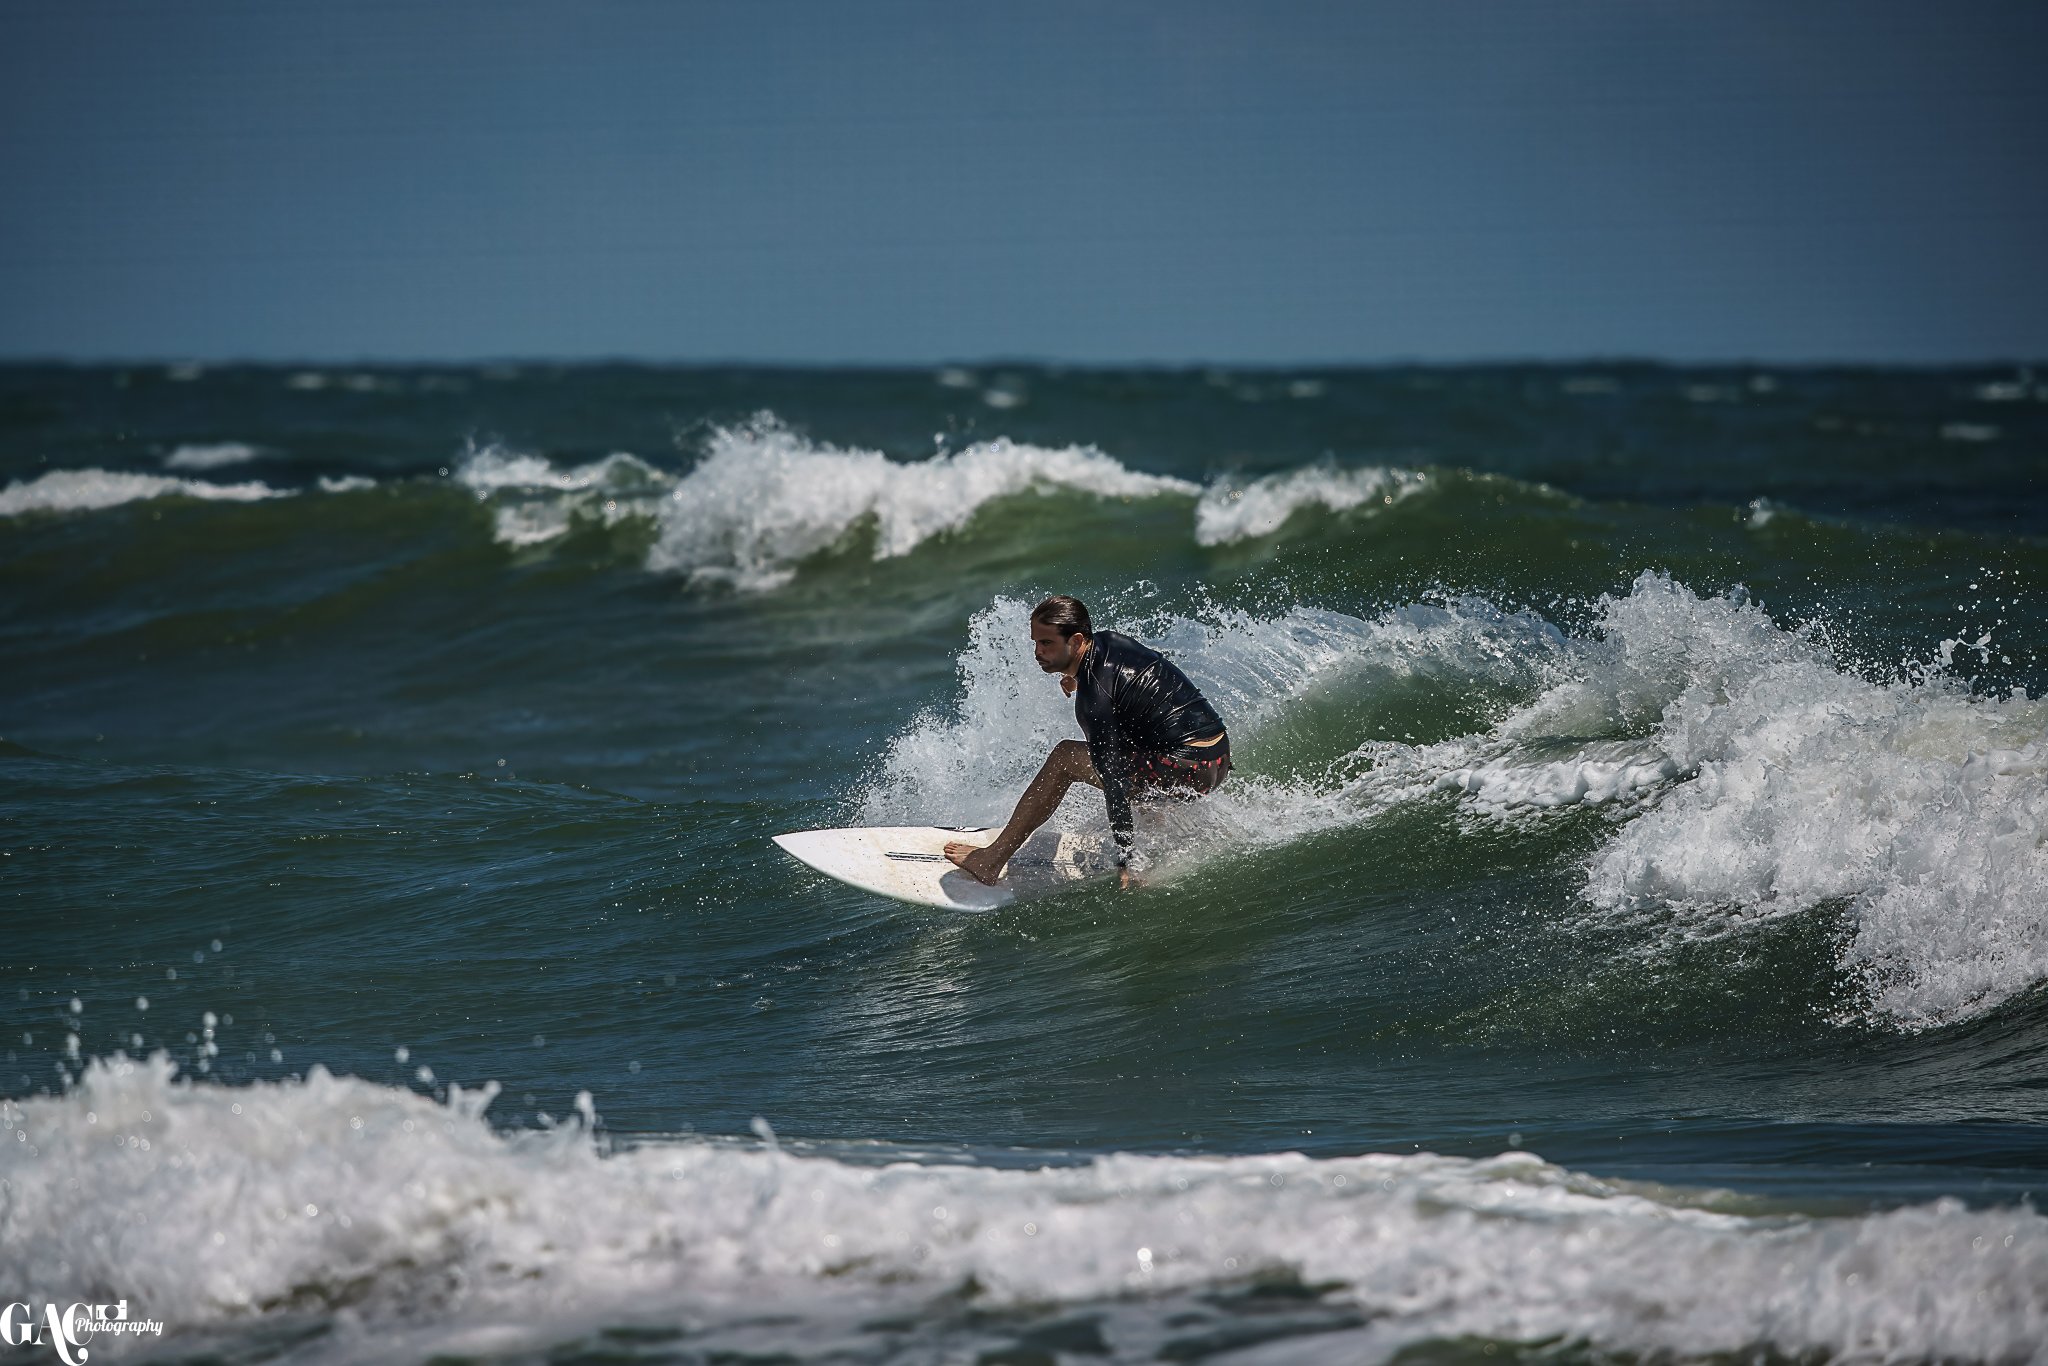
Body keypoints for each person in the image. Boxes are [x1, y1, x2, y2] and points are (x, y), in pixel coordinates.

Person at [944, 595, 1230, 889]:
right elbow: (1128, 682)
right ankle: (1156, 818)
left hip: (1185, 770)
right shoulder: (1110, 641)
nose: (1037, 652)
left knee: (1065, 757)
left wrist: (1124, 862)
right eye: (1035, 642)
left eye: (1046, 643)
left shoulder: (1094, 702)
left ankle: (992, 860)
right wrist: (1077, 677)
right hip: (1216, 758)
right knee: (1133, 736)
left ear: (1077, 640)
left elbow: (1115, 780)